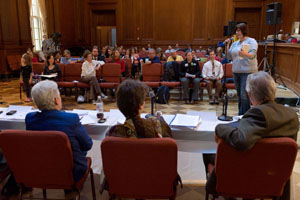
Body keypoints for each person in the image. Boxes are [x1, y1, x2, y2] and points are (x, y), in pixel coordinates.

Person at [204, 71, 299, 200]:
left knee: (208, 153)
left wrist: (219, 128)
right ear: (273, 92)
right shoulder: (292, 115)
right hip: (274, 176)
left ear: (249, 95)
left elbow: (241, 141)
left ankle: (226, 193)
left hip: (249, 175)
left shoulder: (257, 113)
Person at [26, 80, 93, 182]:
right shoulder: (71, 119)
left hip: (42, 169)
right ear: (56, 100)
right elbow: (87, 145)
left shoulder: (30, 119)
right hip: (71, 172)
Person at [107, 79, 172, 138]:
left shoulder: (113, 132)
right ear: (141, 105)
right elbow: (169, 148)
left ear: (119, 106)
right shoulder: (158, 124)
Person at [225, 23, 258, 115]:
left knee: (244, 95)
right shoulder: (235, 44)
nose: (237, 32)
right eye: (236, 31)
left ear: (244, 30)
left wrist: (245, 54)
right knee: (240, 95)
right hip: (236, 71)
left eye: (239, 30)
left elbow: (253, 55)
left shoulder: (251, 41)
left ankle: (245, 116)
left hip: (248, 72)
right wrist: (227, 45)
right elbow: (229, 57)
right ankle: (241, 114)